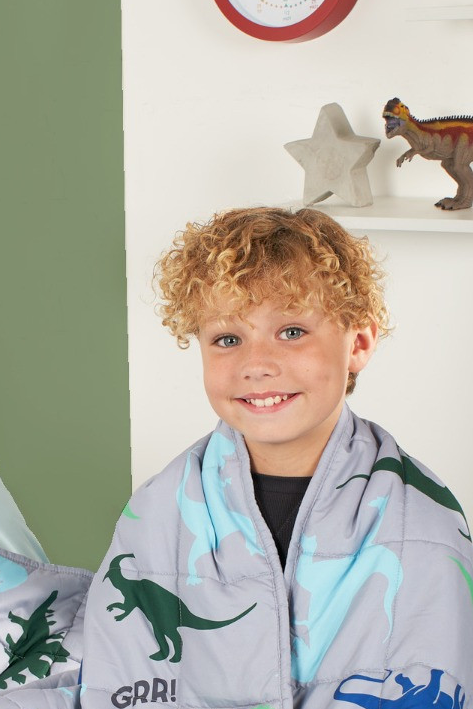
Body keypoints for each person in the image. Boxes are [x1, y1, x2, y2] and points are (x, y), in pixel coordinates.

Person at [154, 205, 393, 566]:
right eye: (228, 339)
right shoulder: (159, 509)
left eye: (292, 332)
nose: (256, 365)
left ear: (358, 344)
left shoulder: (417, 517)